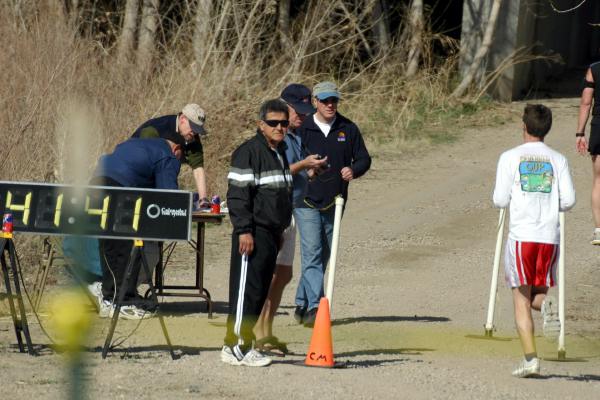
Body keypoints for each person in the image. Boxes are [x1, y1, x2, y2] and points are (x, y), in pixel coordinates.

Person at [493, 104, 575, 378]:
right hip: (549, 238)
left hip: (522, 237)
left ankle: (530, 359)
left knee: (520, 299)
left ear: (524, 126)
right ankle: (546, 307)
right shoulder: (558, 159)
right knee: (537, 294)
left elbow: (500, 199)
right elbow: (569, 200)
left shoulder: (510, 157)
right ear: (547, 129)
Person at [253, 84, 328, 353]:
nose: (303, 117)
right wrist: (303, 165)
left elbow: (291, 173)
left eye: (307, 111)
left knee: (283, 274)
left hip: (291, 208)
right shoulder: (275, 135)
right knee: (268, 274)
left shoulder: (294, 136)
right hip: (273, 211)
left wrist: (310, 172)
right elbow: (276, 170)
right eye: (300, 111)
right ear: (285, 106)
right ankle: (259, 333)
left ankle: (267, 331)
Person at [221, 99, 293, 367]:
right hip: (253, 233)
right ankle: (235, 346)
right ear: (261, 125)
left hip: (272, 233)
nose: (279, 128)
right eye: (273, 123)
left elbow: (280, 194)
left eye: (284, 123)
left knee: (260, 291)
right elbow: (238, 195)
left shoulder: (280, 151)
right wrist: (244, 231)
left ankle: (246, 344)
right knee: (246, 292)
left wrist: (280, 228)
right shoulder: (248, 152)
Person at [294, 81, 371, 327]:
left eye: (334, 101)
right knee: (312, 252)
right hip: (304, 200)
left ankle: (302, 301)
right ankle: (316, 307)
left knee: (324, 253)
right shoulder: (302, 129)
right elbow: (291, 165)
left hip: (335, 201)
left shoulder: (348, 128)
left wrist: (354, 170)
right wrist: (307, 171)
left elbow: (364, 158)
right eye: (325, 100)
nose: (330, 105)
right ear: (315, 101)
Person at [91, 138, 183, 320]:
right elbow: (169, 195)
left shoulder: (141, 144)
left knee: (108, 242)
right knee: (126, 246)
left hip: (97, 180)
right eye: (182, 159)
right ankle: (124, 301)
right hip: (120, 187)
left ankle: (108, 297)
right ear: (177, 149)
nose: (180, 163)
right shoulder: (167, 155)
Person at [132, 103, 210, 208]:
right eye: (193, 128)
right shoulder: (156, 129)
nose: (194, 134)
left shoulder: (191, 137)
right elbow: (143, 163)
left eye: (197, 130)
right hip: (135, 174)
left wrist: (203, 200)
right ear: (183, 119)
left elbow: (198, 169)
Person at [576, 62, 600, 244]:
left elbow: (586, 102)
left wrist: (580, 132)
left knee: (599, 180)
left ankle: (599, 230)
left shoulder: (594, 69)